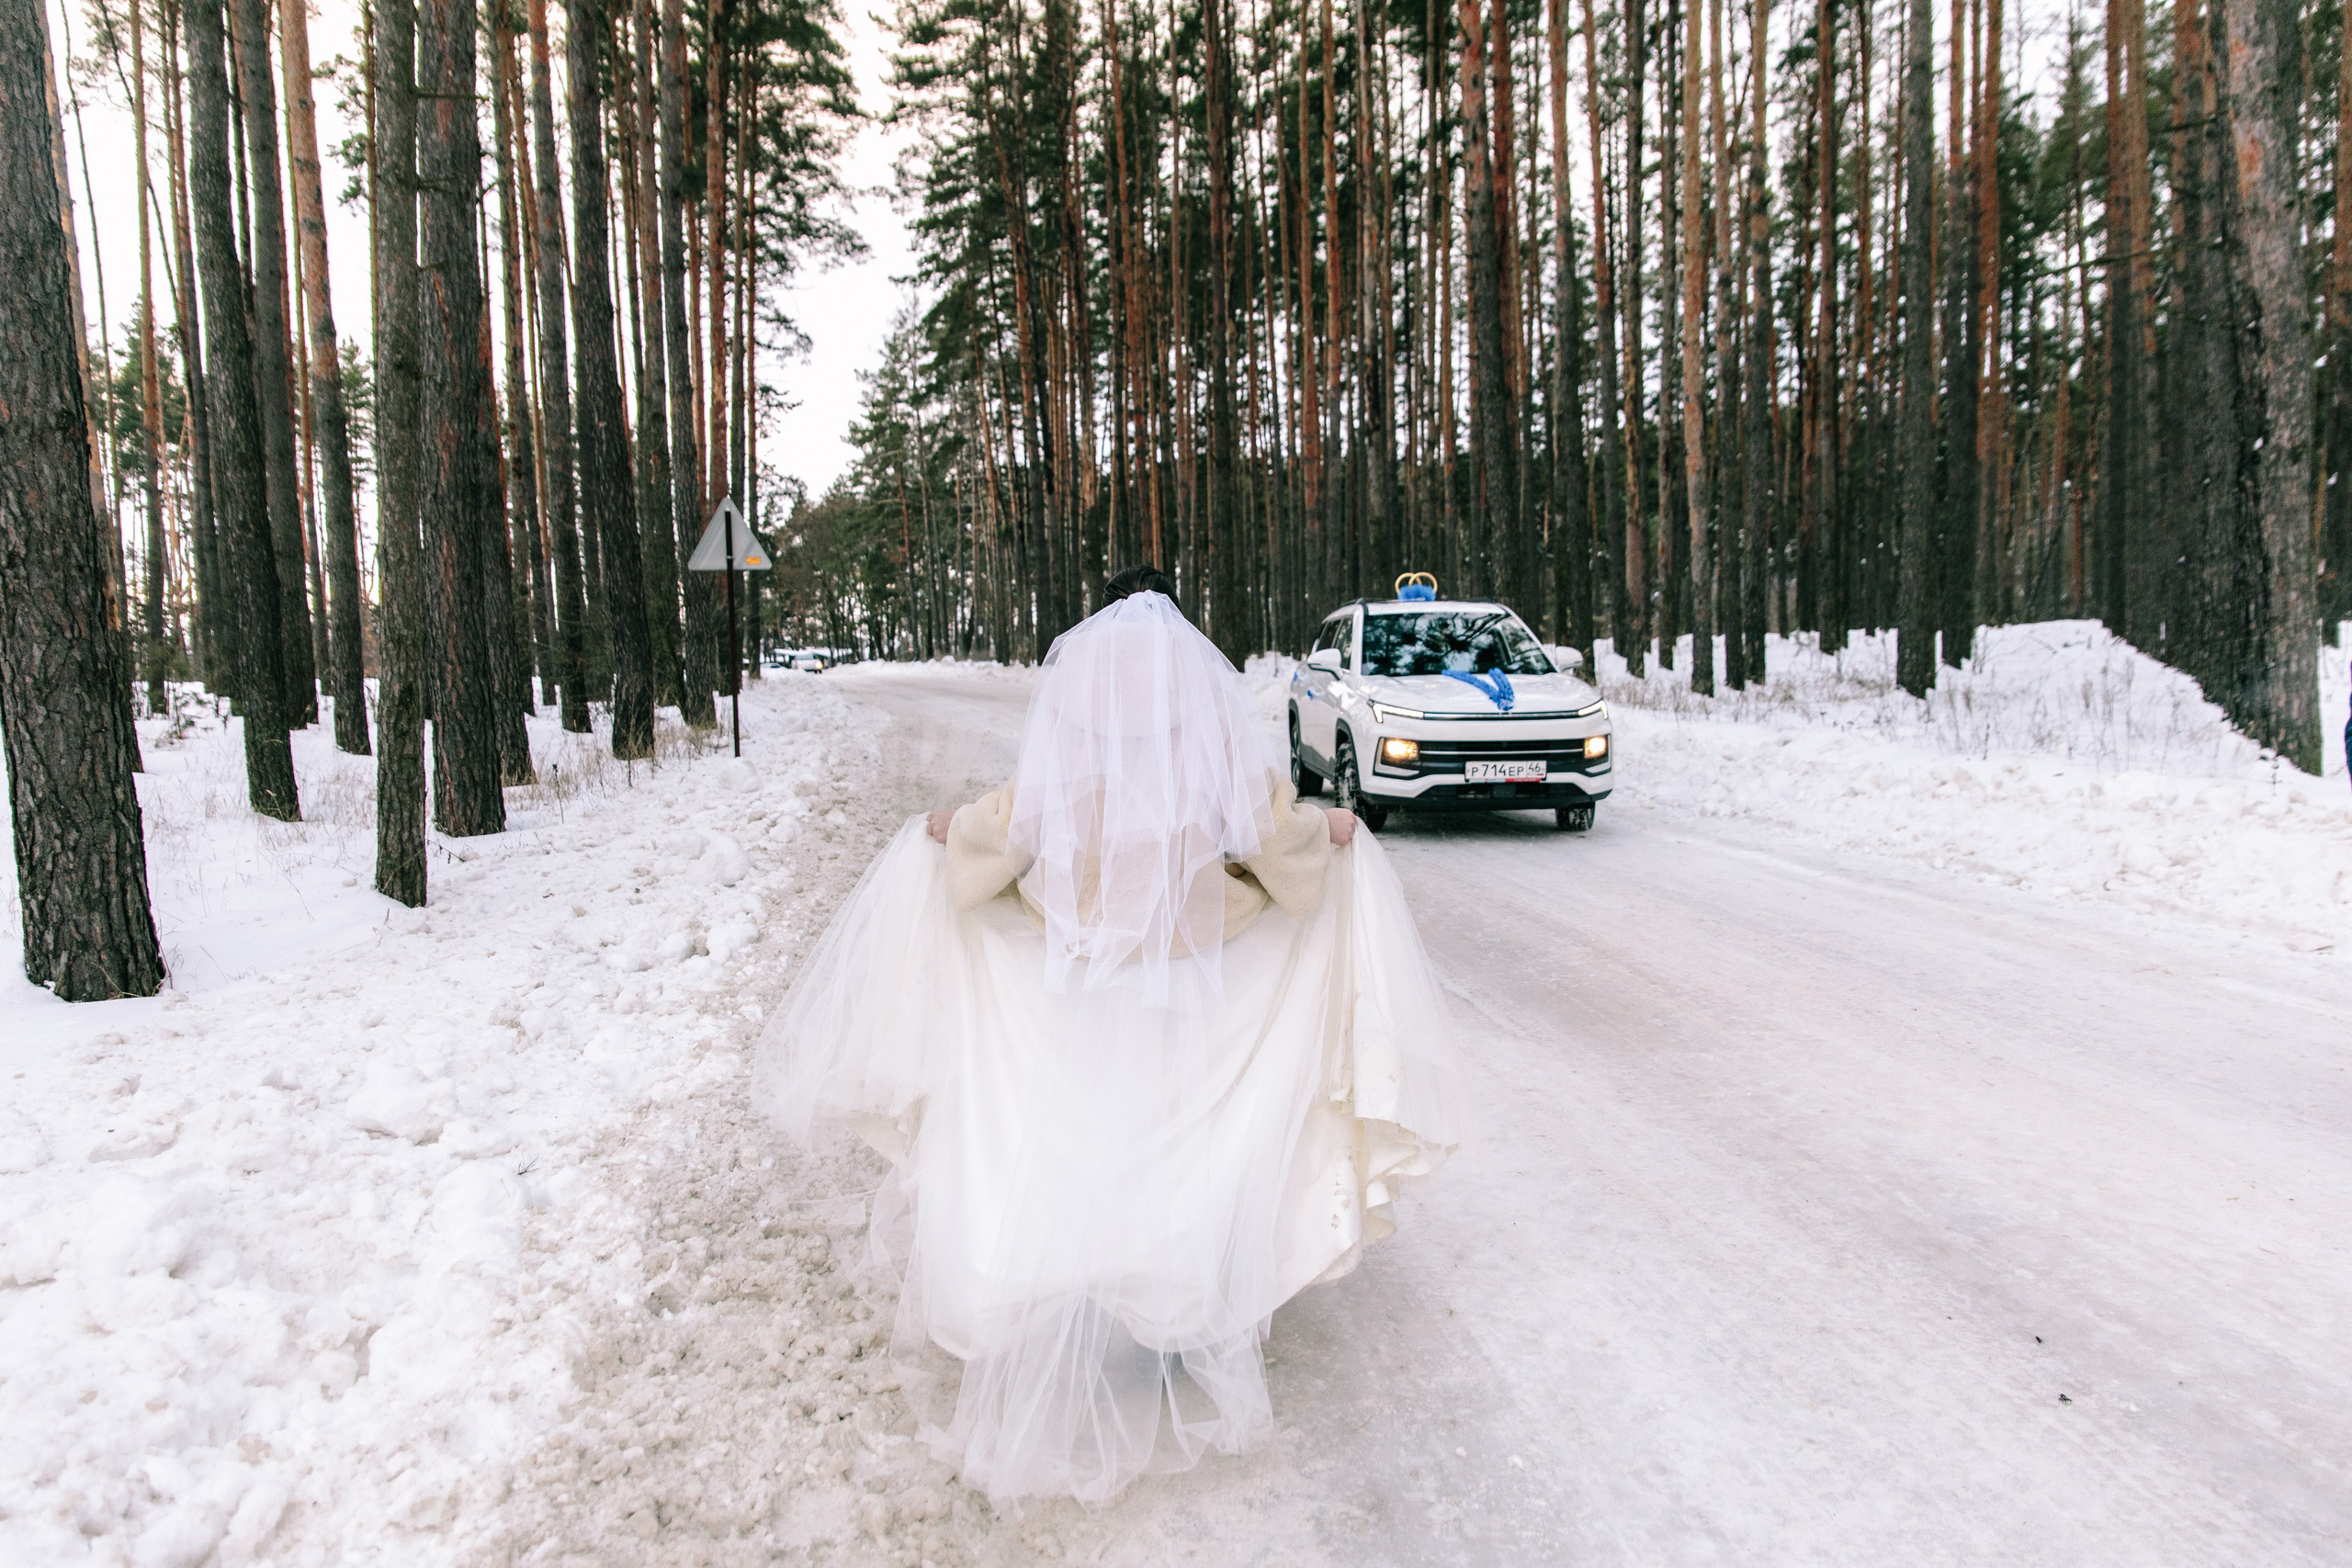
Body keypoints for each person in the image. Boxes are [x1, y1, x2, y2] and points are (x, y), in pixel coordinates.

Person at [753, 570, 1461, 1506]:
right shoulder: (1203, 712)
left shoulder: (1078, 711)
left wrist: (949, 833)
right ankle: (1168, 1316)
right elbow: (1263, 827)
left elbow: (1014, 826)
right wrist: (1331, 830)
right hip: (1194, 971)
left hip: (1077, 970)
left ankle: (1078, 1294)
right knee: (1177, 1135)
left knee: (1080, 1136)